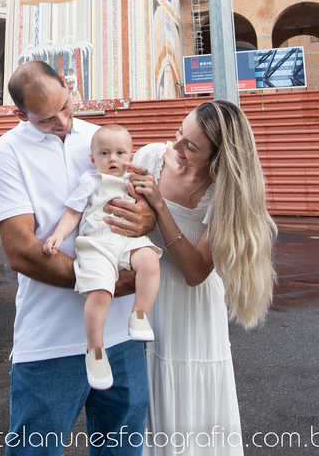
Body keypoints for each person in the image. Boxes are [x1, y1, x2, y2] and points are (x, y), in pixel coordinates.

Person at [0, 61, 155, 455]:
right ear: (20, 114)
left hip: (121, 338)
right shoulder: (6, 153)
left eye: (66, 106)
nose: (62, 122)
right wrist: (109, 283)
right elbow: (23, 253)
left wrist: (147, 216)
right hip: (48, 343)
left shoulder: (102, 139)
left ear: (68, 86)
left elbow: (142, 204)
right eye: (45, 120)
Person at [125, 100, 278, 456]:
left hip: (192, 311)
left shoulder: (224, 192)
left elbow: (195, 272)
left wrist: (159, 208)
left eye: (190, 147)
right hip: (147, 296)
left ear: (217, 157)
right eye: (180, 132)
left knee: (189, 410)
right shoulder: (150, 159)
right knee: (142, 398)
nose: (175, 147)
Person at [42, 124, 161, 391]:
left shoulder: (134, 183)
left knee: (150, 261)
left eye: (120, 153)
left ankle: (139, 315)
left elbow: (149, 212)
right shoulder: (91, 181)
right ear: (93, 158)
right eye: (104, 153)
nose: (112, 159)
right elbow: (73, 212)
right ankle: (95, 350)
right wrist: (59, 236)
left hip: (128, 239)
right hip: (97, 243)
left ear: (131, 156)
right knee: (100, 290)